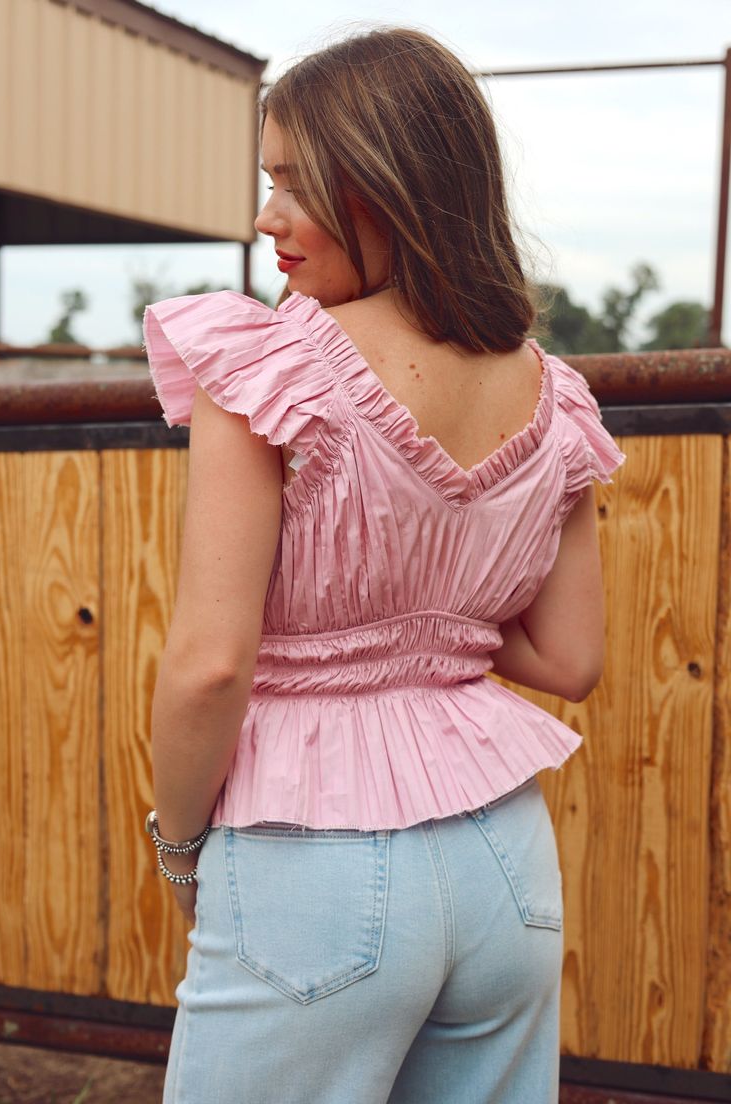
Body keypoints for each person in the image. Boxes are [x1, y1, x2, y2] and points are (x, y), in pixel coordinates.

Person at [142, 26, 624, 1104]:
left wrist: (181, 852)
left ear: (389, 184)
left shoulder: (268, 364)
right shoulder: (554, 397)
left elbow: (211, 666)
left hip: (310, 862)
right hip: (505, 864)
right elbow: (569, 658)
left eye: (294, 184)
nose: (265, 218)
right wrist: (435, 607)